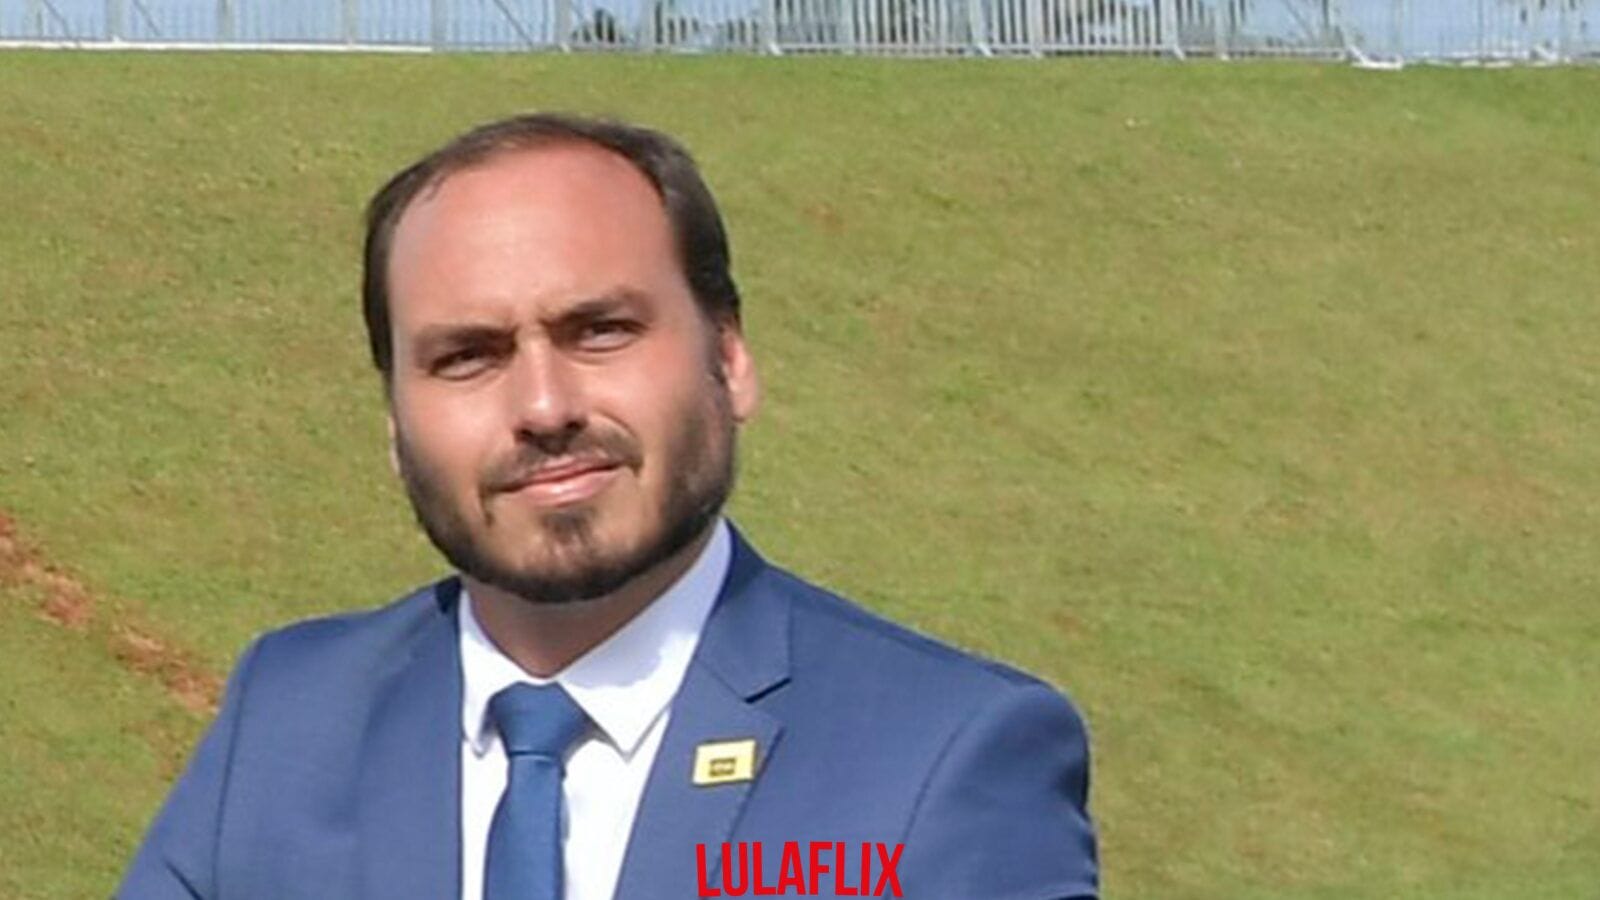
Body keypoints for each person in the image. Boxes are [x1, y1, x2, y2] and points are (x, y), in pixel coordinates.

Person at [118, 113, 1097, 900]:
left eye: (600, 331)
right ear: (394, 420)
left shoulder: (944, 755)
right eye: (466, 356)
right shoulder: (288, 717)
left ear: (729, 359)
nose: (545, 408)